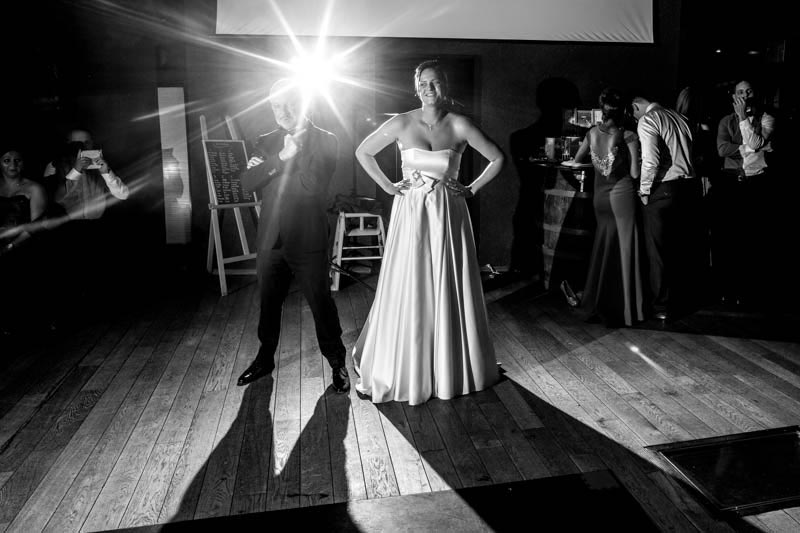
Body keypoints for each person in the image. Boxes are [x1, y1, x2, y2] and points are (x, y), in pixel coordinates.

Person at [352, 60, 503, 405]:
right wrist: (390, 187)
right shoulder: (402, 122)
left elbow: (497, 159)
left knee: (449, 284)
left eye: (435, 83)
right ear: (415, 87)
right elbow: (363, 152)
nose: (428, 89)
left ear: (445, 87)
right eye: (422, 83)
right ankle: (408, 366)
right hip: (412, 215)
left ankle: (451, 366)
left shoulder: (459, 124)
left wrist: (472, 188)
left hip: (449, 215)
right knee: (412, 283)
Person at [237, 78, 349, 393]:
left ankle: (337, 362)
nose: (282, 112)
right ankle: (264, 358)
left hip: (308, 239)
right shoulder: (267, 140)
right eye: (275, 106)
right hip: (270, 239)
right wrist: (282, 159)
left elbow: (312, 187)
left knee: (320, 303)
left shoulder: (327, 140)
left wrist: (270, 171)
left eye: (288, 104)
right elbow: (246, 182)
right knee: (268, 304)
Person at [566, 88, 644, 327]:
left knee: (604, 246)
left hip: (600, 197)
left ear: (603, 111)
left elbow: (578, 160)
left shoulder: (591, 133)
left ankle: (600, 299)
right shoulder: (628, 135)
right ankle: (627, 309)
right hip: (622, 195)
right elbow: (634, 173)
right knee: (625, 248)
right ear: (622, 112)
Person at [632, 93, 700, 320]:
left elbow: (650, 159)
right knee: (679, 248)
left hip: (664, 188)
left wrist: (643, 190)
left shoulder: (648, 119)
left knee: (657, 251)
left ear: (636, 107)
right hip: (688, 187)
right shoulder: (680, 118)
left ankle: (661, 307)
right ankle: (682, 301)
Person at [713, 80, 776, 306]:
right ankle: (727, 288)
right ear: (733, 96)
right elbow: (722, 150)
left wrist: (742, 120)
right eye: (740, 92)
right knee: (729, 237)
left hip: (757, 182)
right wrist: (751, 148)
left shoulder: (767, 118)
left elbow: (756, 140)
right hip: (731, 182)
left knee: (752, 237)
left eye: (748, 91)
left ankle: (748, 290)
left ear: (754, 93)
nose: (744, 95)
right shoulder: (724, 121)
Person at [44, 128, 130, 220]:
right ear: (69, 144)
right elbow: (55, 199)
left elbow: (123, 194)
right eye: (76, 144)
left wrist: (106, 173)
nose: (82, 147)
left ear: (92, 143)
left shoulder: (102, 163)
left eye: (87, 143)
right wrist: (76, 171)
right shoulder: (55, 165)